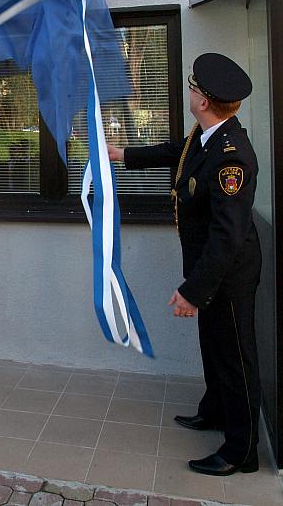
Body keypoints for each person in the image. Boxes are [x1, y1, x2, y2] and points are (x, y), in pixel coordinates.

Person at [107, 53, 261, 476]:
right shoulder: (207, 134)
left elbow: (227, 237)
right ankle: (214, 411)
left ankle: (240, 452)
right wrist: (122, 154)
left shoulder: (233, 158)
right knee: (213, 347)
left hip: (227, 274)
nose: (190, 91)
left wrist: (194, 290)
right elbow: (178, 152)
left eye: (194, 88)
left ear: (206, 101)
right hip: (208, 267)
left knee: (234, 356)